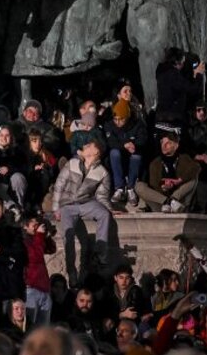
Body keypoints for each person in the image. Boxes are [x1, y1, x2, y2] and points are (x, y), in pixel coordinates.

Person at [52, 138, 114, 281]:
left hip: (85, 204)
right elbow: (59, 185)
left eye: (88, 145)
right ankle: (72, 271)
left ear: (96, 152)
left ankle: (100, 255)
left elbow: (102, 196)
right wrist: (56, 208)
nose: (84, 146)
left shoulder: (102, 172)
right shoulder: (72, 163)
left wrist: (110, 209)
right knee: (68, 237)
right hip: (67, 205)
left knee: (104, 213)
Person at [135, 127, 200, 213]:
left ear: (176, 146)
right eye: (162, 142)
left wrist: (178, 181)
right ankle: (168, 201)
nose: (164, 146)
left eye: (168, 143)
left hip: (179, 203)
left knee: (194, 179)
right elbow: (154, 183)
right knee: (139, 186)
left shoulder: (184, 158)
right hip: (161, 205)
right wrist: (164, 186)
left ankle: (173, 199)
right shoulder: (155, 162)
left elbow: (196, 167)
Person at [104, 99, 147, 208]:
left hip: (133, 156)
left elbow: (143, 139)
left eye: (121, 119)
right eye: (115, 119)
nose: (117, 122)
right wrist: (124, 145)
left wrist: (135, 146)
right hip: (118, 158)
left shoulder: (137, 124)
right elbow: (111, 142)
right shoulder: (110, 125)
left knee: (136, 156)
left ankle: (130, 188)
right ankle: (119, 187)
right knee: (114, 153)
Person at [22, 215, 55, 327]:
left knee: (43, 330)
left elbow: (51, 249)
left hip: (44, 288)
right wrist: (40, 235)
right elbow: (34, 257)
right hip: (31, 287)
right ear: (25, 227)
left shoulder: (37, 239)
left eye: (38, 225)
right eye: (34, 226)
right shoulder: (23, 242)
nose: (37, 228)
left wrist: (47, 236)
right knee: (30, 328)